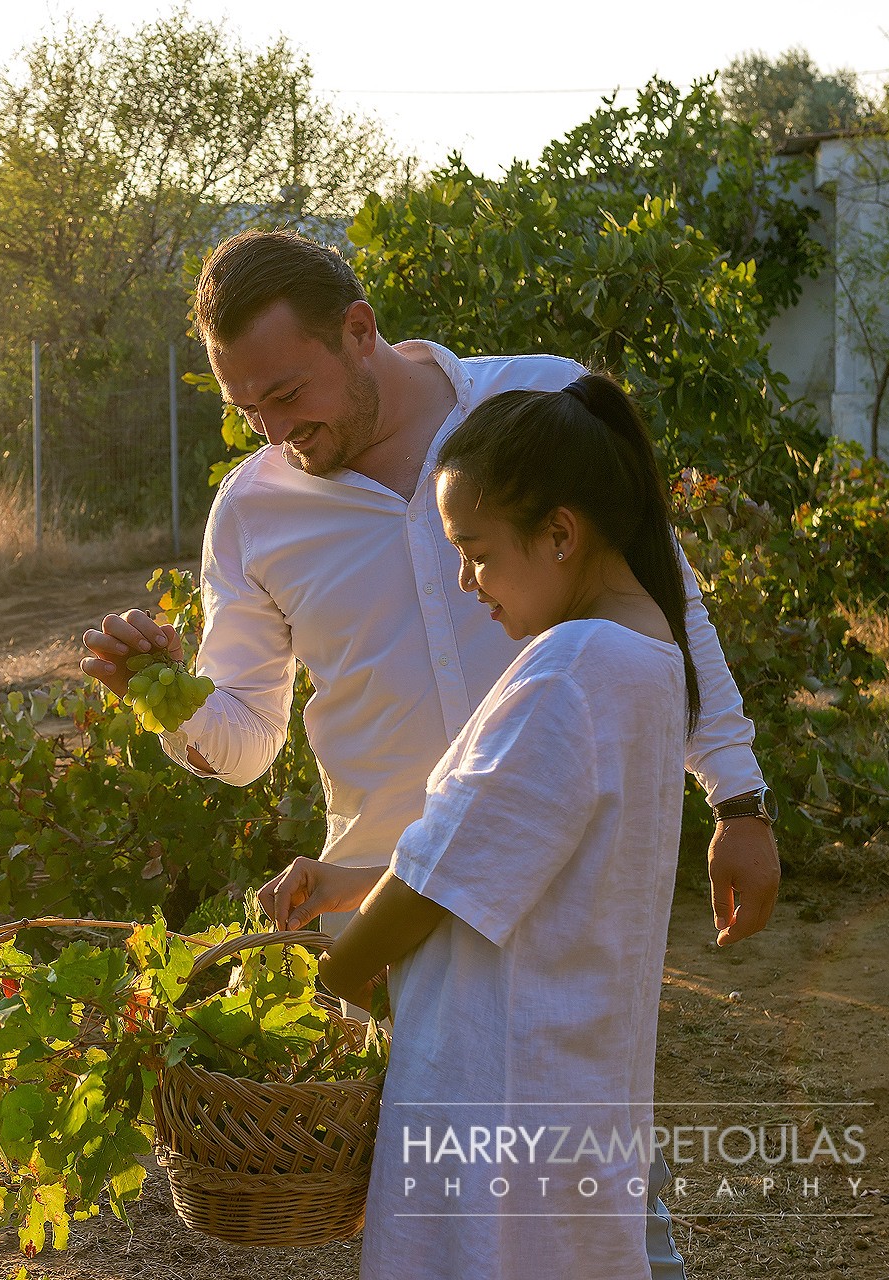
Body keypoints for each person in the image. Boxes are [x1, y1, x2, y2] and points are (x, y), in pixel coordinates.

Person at [80, 230, 779, 1276]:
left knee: (592, 1199)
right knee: (464, 1224)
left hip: (546, 911)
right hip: (398, 920)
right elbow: (242, 741)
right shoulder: (255, 510)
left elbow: (669, 600)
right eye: (246, 411)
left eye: (286, 390)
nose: (274, 429)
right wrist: (164, 700)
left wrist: (738, 794)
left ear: (358, 331)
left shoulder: (533, 413)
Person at [258, 373, 698, 1278]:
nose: (467, 581)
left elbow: (430, 884)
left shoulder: (569, 669)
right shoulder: (644, 653)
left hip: (496, 1089)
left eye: (478, 552)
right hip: (565, 1080)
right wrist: (344, 885)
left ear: (562, 535)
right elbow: (507, 845)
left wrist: (336, 974)